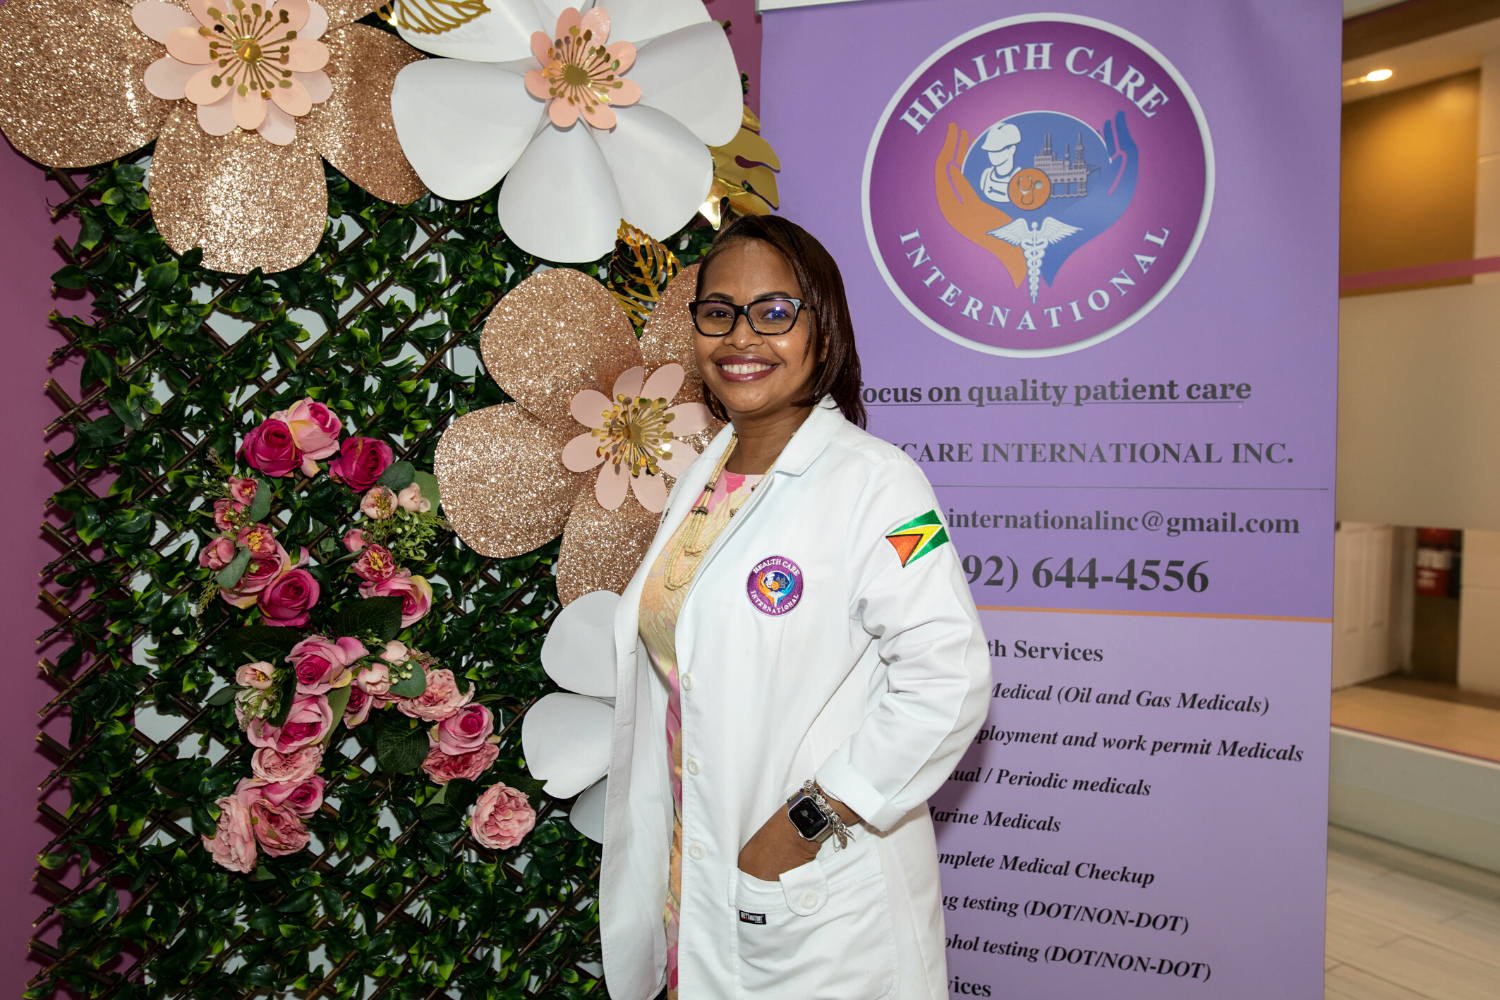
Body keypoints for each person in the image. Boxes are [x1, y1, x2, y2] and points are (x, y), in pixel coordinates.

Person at [598, 215, 991, 1000]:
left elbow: (949, 680)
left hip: (806, 890)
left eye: (775, 311)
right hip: (693, 869)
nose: (742, 336)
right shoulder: (703, 477)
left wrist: (799, 829)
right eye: (719, 312)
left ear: (823, 328)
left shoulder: (877, 483)